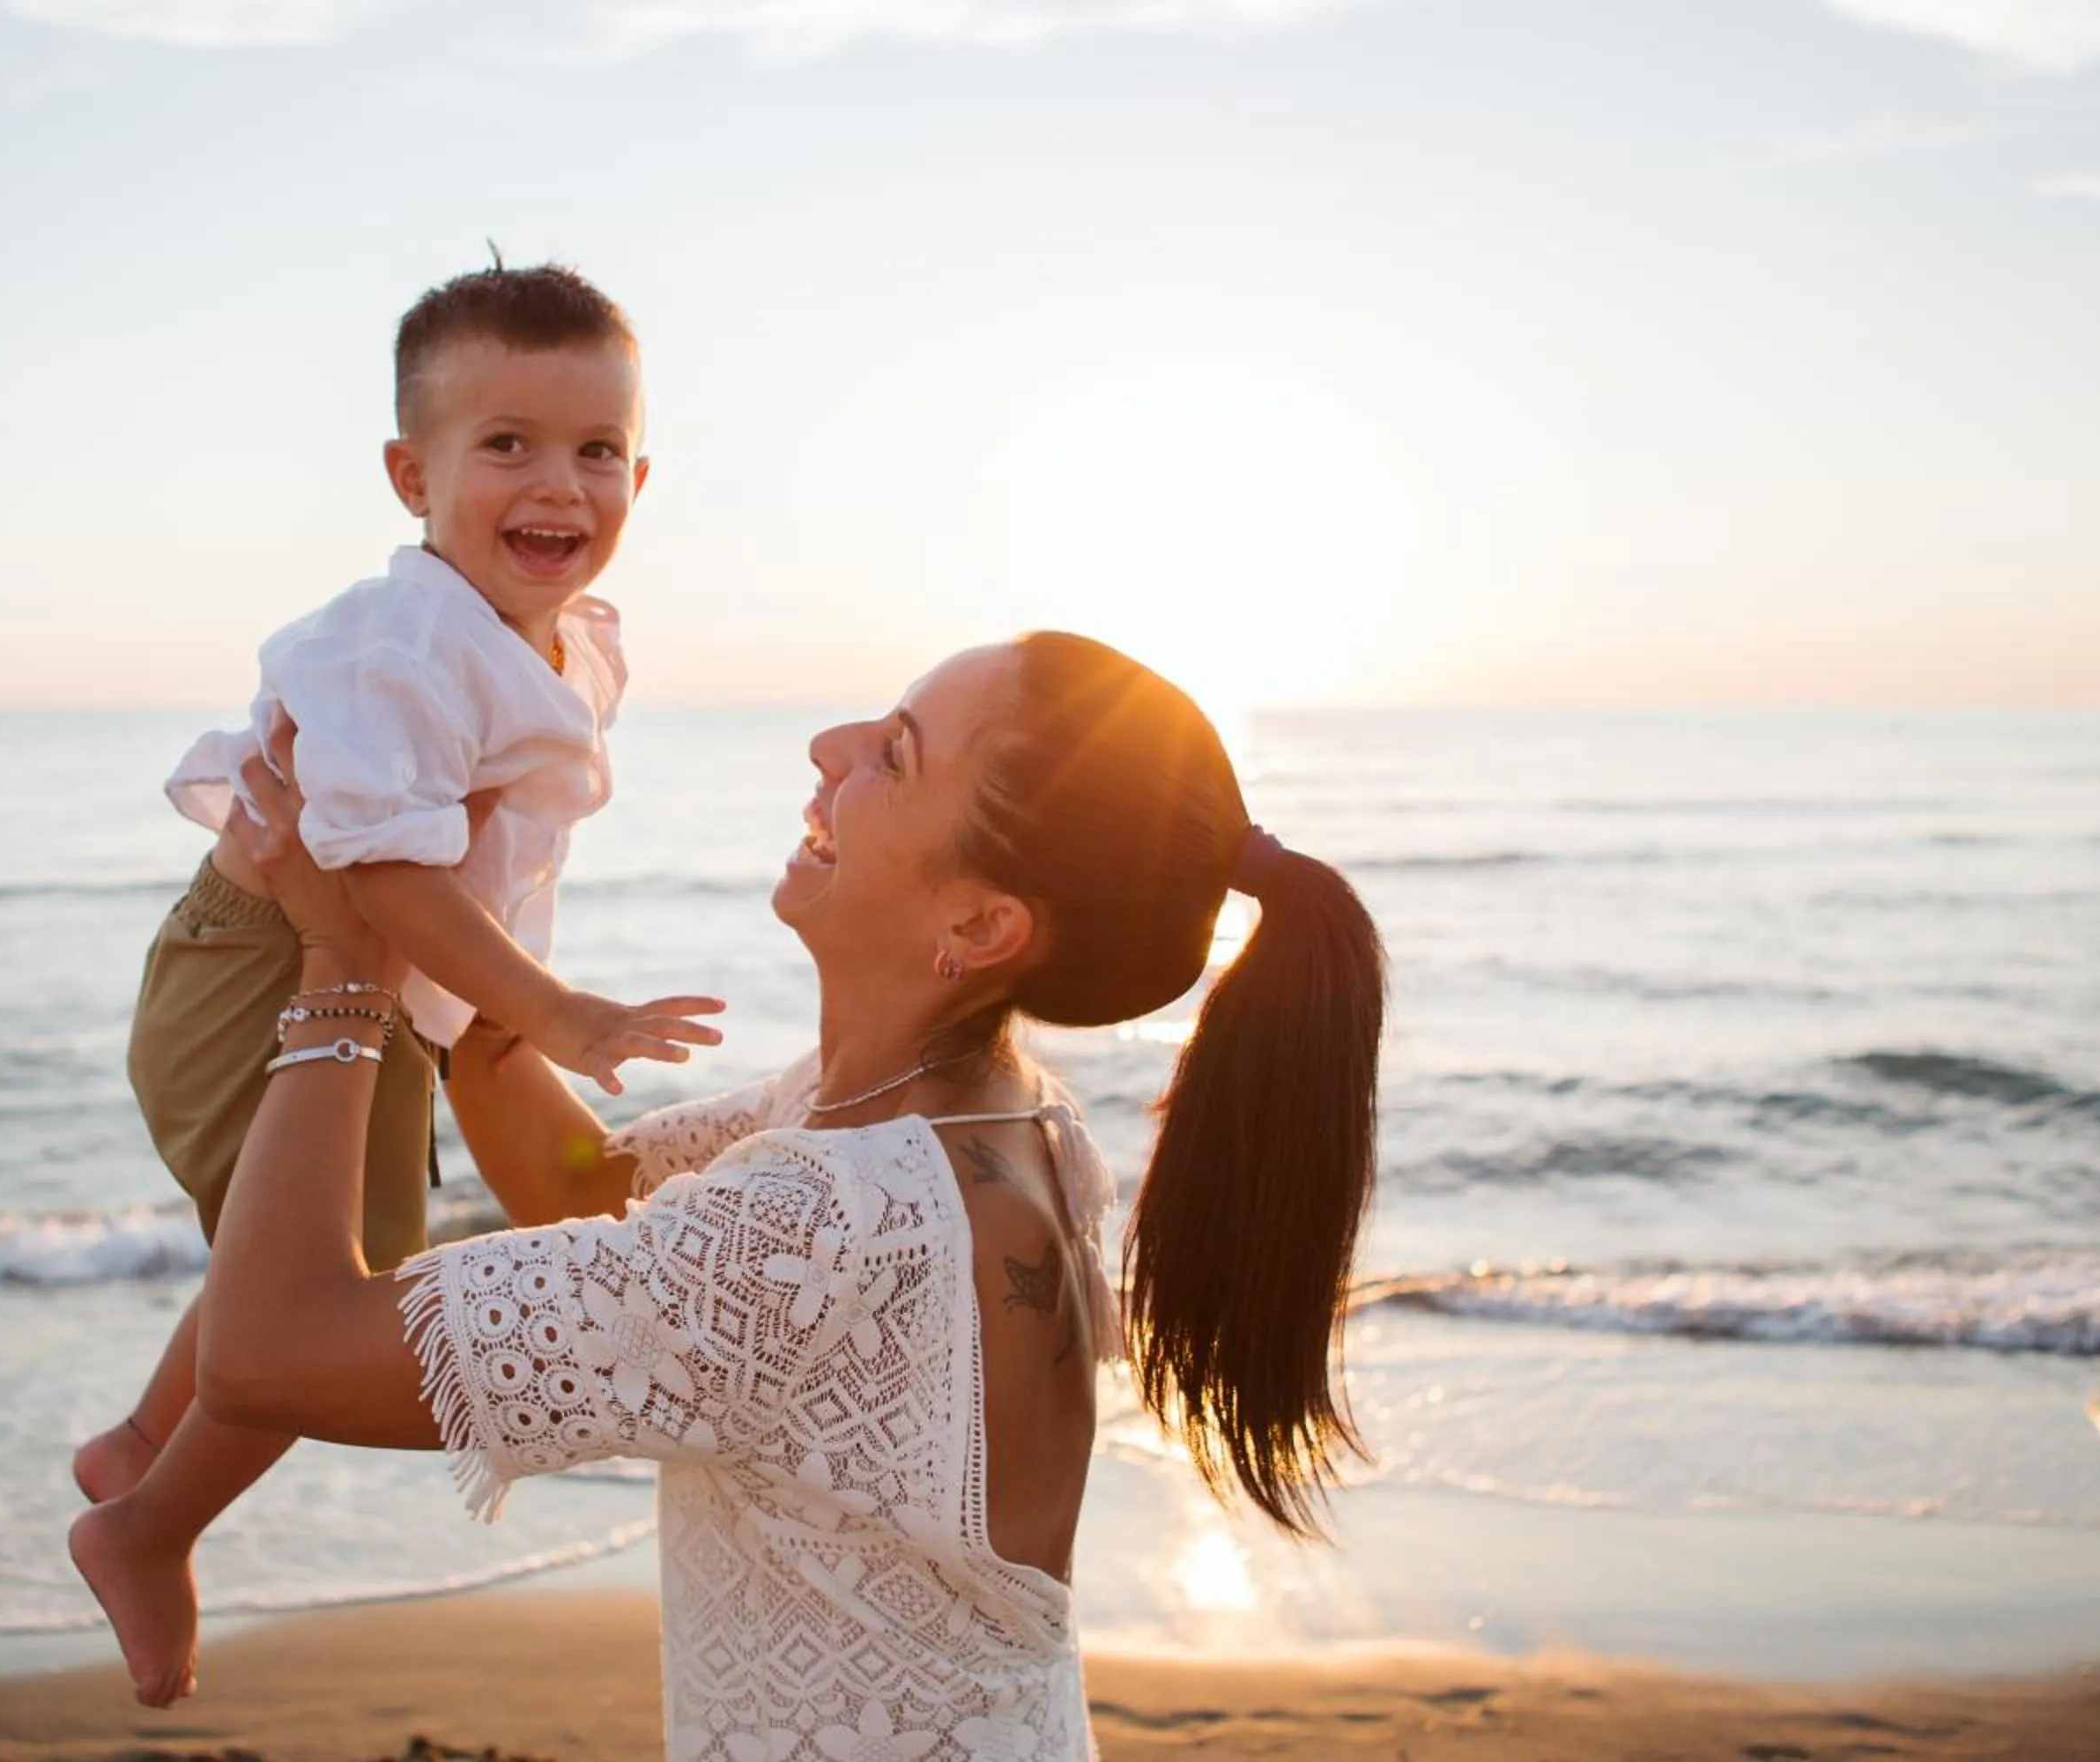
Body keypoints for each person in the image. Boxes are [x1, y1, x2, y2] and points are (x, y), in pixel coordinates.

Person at [190, 633, 1385, 1756]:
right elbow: (578, 1183)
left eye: (894, 753)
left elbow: (265, 1352)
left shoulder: (827, 1224)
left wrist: (344, 968)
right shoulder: (982, 1118)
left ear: (980, 923)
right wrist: (449, 919)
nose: (829, 745)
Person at [68, 263, 724, 1704]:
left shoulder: (572, 642)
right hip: (263, 972)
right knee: (323, 1294)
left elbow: (492, 853)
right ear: (410, 475)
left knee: (290, 1253)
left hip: (385, 988)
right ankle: (145, 1529)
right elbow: (380, 873)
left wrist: (488, 1012)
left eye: (596, 450)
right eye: (507, 444)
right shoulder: (402, 646)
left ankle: (139, 1447)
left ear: (639, 477)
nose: (557, 485)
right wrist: (552, 1012)